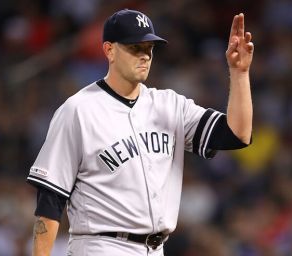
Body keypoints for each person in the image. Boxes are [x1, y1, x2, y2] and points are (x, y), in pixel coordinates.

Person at [27, 8, 254, 256]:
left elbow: (236, 135)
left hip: (156, 249)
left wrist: (239, 73)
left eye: (149, 48)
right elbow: (50, 199)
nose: (145, 56)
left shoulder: (170, 105)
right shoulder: (78, 110)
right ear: (109, 50)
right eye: (135, 48)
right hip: (100, 247)